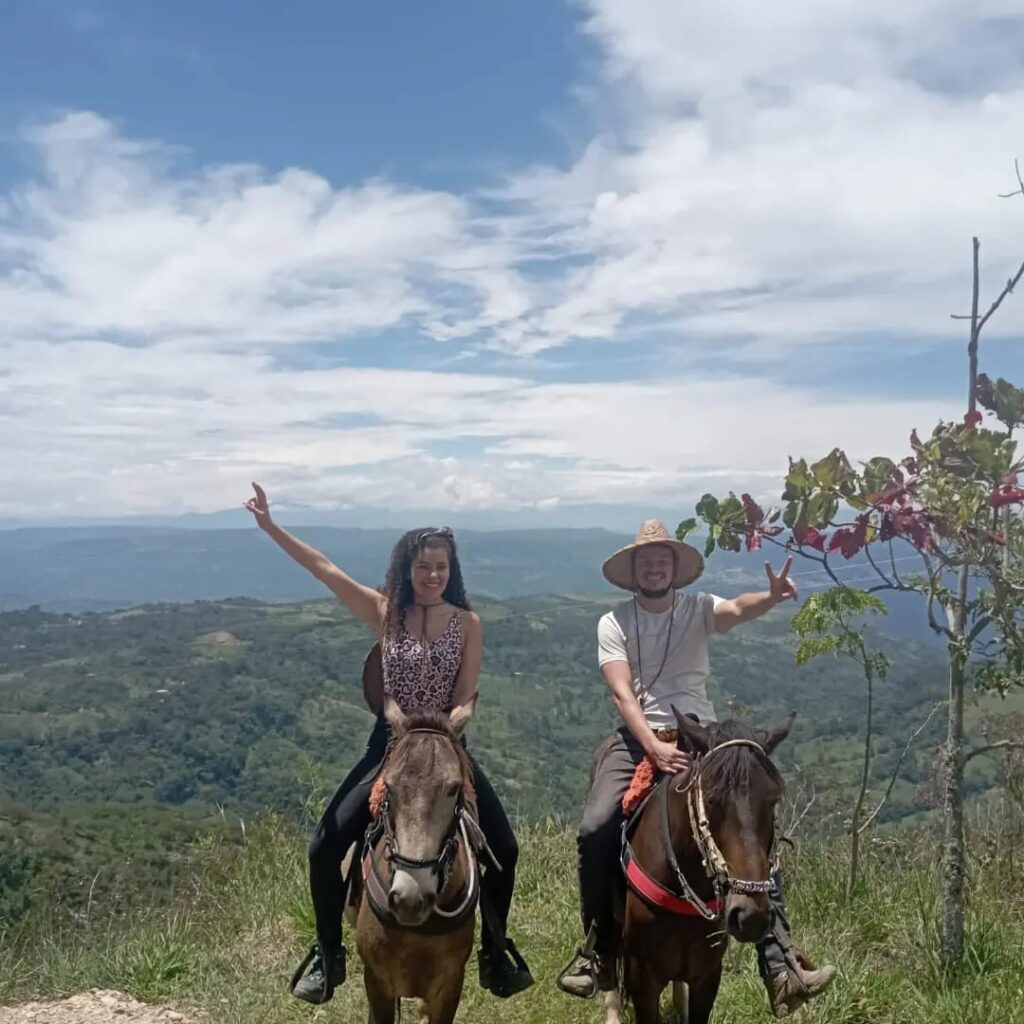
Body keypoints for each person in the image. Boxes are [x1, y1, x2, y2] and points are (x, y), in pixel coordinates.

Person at [243, 483, 534, 1005]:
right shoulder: (385, 613)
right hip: (389, 745)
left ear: (452, 570)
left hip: (446, 743)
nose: (433, 576)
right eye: (424, 567)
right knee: (323, 847)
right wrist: (270, 528)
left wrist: (456, 720)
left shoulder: (468, 623)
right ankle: (328, 954)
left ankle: (494, 950)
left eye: (441, 567)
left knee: (506, 850)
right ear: (407, 569)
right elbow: (325, 570)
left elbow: (468, 695)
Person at [557, 520, 837, 1018]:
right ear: (634, 571)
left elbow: (733, 610)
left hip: (703, 735)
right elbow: (622, 692)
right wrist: (653, 746)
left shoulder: (696, 608)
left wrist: (771, 598)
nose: (655, 567)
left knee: (748, 816)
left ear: (674, 568)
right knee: (596, 826)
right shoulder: (613, 623)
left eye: (662, 560)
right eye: (646, 561)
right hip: (639, 737)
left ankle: (780, 959)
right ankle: (599, 949)